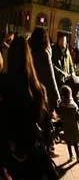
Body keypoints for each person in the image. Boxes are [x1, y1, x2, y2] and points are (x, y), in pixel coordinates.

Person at [0, 36, 58, 179]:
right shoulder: (37, 89)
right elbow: (42, 123)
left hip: (9, 153)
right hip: (31, 152)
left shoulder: (3, 84)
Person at [28, 28, 60, 113]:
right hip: (42, 95)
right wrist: (56, 98)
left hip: (31, 93)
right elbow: (50, 78)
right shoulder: (44, 54)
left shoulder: (30, 53)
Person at [57, 85, 79, 162]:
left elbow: (60, 115)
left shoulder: (60, 104)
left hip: (66, 127)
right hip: (74, 127)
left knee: (68, 141)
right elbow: (78, 117)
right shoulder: (73, 106)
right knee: (75, 142)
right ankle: (78, 156)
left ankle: (71, 156)